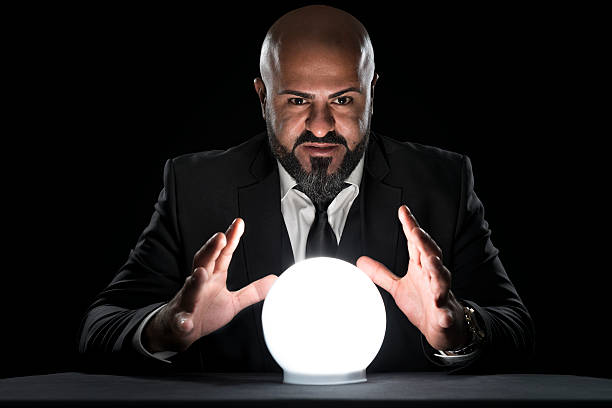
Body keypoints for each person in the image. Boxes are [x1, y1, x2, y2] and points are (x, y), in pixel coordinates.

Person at [79, 5, 534, 374]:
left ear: (372, 94)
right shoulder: (196, 187)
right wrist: (167, 328)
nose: (320, 126)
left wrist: (459, 328)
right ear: (262, 97)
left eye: (342, 99)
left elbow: (517, 327)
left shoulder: (441, 183)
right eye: (297, 100)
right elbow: (101, 325)